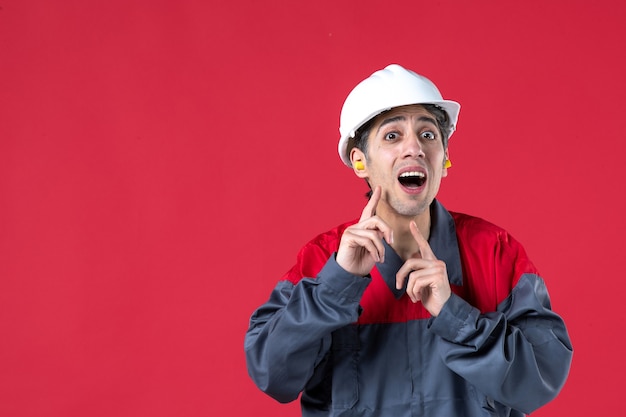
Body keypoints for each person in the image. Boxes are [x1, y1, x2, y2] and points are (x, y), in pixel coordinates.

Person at [244, 64, 572, 417]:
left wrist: (455, 316)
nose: (414, 148)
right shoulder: (321, 260)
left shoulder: (496, 253)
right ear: (360, 162)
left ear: (444, 158)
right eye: (392, 136)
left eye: (428, 135)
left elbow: (541, 380)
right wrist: (334, 287)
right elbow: (272, 375)